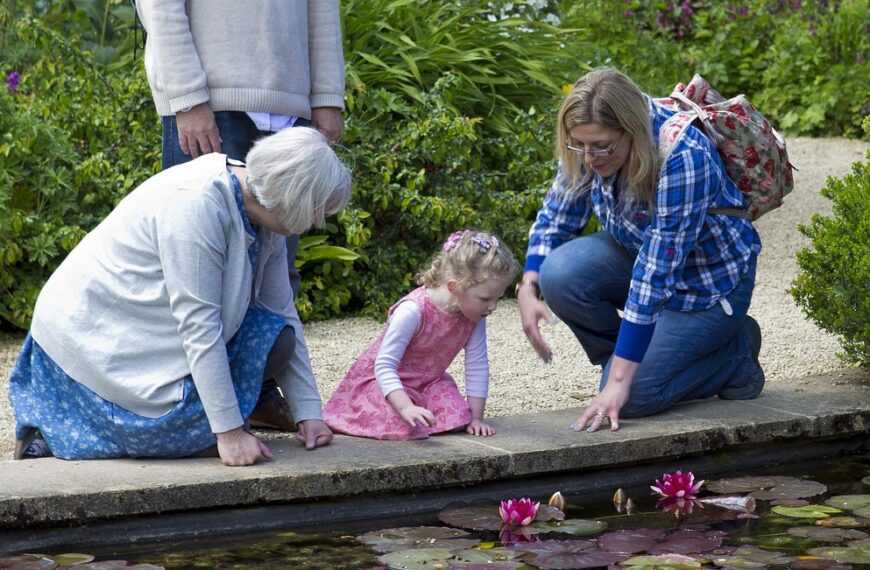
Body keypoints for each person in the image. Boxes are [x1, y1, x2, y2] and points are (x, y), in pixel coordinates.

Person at [9, 127, 352, 466]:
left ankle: (217, 420)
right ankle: (49, 433)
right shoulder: (197, 204)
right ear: (294, 200)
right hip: (92, 344)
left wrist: (308, 413)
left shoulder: (265, 212)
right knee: (203, 440)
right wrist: (229, 434)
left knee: (279, 339)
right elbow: (199, 327)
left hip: (147, 335)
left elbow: (281, 311)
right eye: (318, 211)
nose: (318, 221)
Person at [135, 0, 347, 430]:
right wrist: (187, 95)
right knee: (192, 282)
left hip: (290, 106)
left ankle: (254, 396)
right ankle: (177, 411)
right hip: (210, 101)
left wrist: (327, 95)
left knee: (276, 275)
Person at [517, 68, 764, 433]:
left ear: (631, 131)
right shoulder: (591, 140)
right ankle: (632, 363)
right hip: (641, 256)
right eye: (578, 145)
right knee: (560, 273)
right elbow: (558, 214)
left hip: (708, 289)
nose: (588, 158)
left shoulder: (682, 155)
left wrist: (621, 383)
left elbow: (654, 275)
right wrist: (528, 285)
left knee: (632, 398)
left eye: (601, 146)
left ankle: (736, 352)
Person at [323, 230, 518, 440]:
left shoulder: (474, 317)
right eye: (485, 298)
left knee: (459, 416)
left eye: (498, 298)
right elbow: (384, 366)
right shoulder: (412, 311)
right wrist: (405, 407)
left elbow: (477, 364)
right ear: (454, 287)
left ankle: (421, 410)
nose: (493, 306)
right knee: (404, 424)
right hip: (384, 383)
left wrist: (477, 418)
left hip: (428, 383)